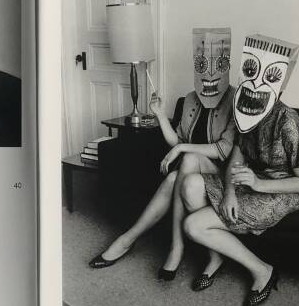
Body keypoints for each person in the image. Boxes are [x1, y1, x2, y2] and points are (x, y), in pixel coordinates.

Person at [89, 28, 236, 288]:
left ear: (226, 66)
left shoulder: (235, 100)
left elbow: (224, 149)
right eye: (202, 66)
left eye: (218, 66)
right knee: (173, 177)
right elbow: (176, 141)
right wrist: (159, 114)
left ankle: (173, 247)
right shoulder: (190, 99)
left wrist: (182, 150)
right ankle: (129, 239)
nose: (209, 74)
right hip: (191, 174)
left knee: (187, 159)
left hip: (221, 175)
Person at [180, 34, 299, 306]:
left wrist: (259, 184)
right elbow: (237, 157)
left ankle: (262, 270)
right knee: (189, 185)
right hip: (249, 181)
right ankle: (215, 255)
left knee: (192, 225)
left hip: (280, 191)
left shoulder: (288, 123)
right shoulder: (246, 111)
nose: (255, 84)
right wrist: (229, 192)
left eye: (269, 77)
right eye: (251, 72)